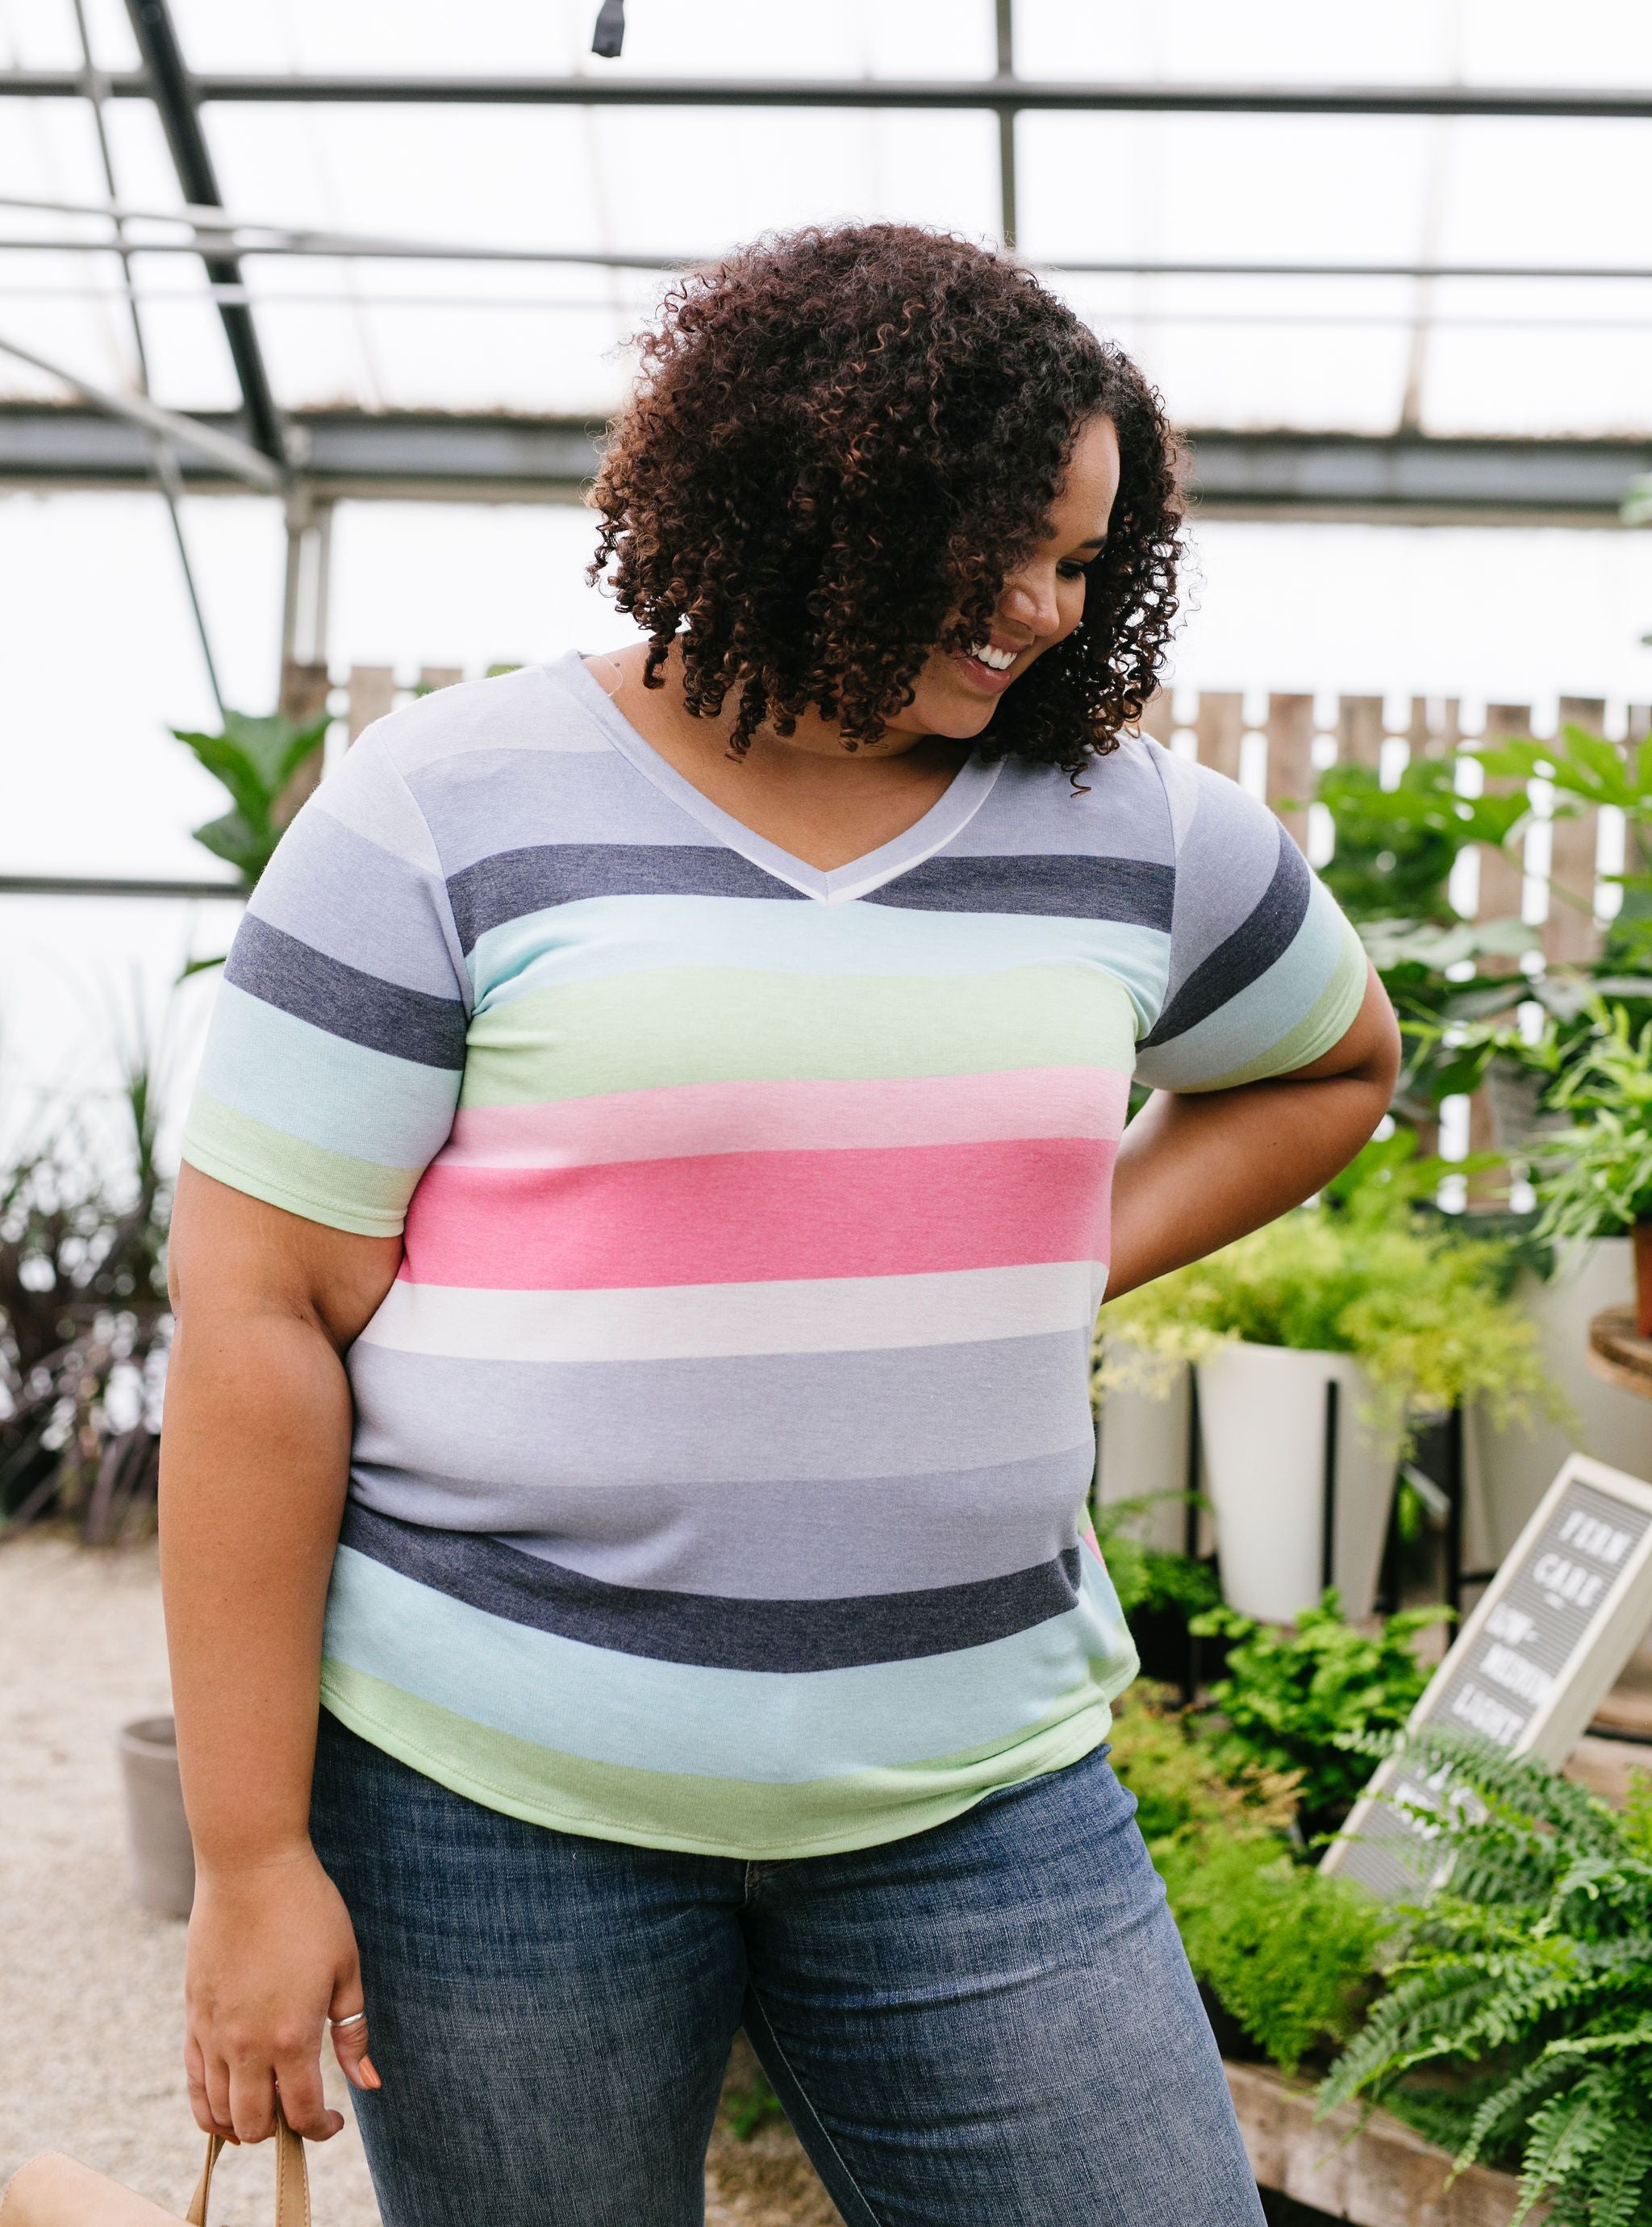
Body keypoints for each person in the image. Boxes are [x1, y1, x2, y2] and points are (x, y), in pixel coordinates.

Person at [162, 223, 1398, 2227]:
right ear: (797, 490)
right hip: (495, 1801)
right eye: (988, 545)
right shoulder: (441, 804)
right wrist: (249, 1860)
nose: (1034, 613)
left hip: (979, 1795)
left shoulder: (1136, 826)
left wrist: (1040, 1257)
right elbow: (253, 1318)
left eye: (1080, 564)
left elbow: (1332, 1062)